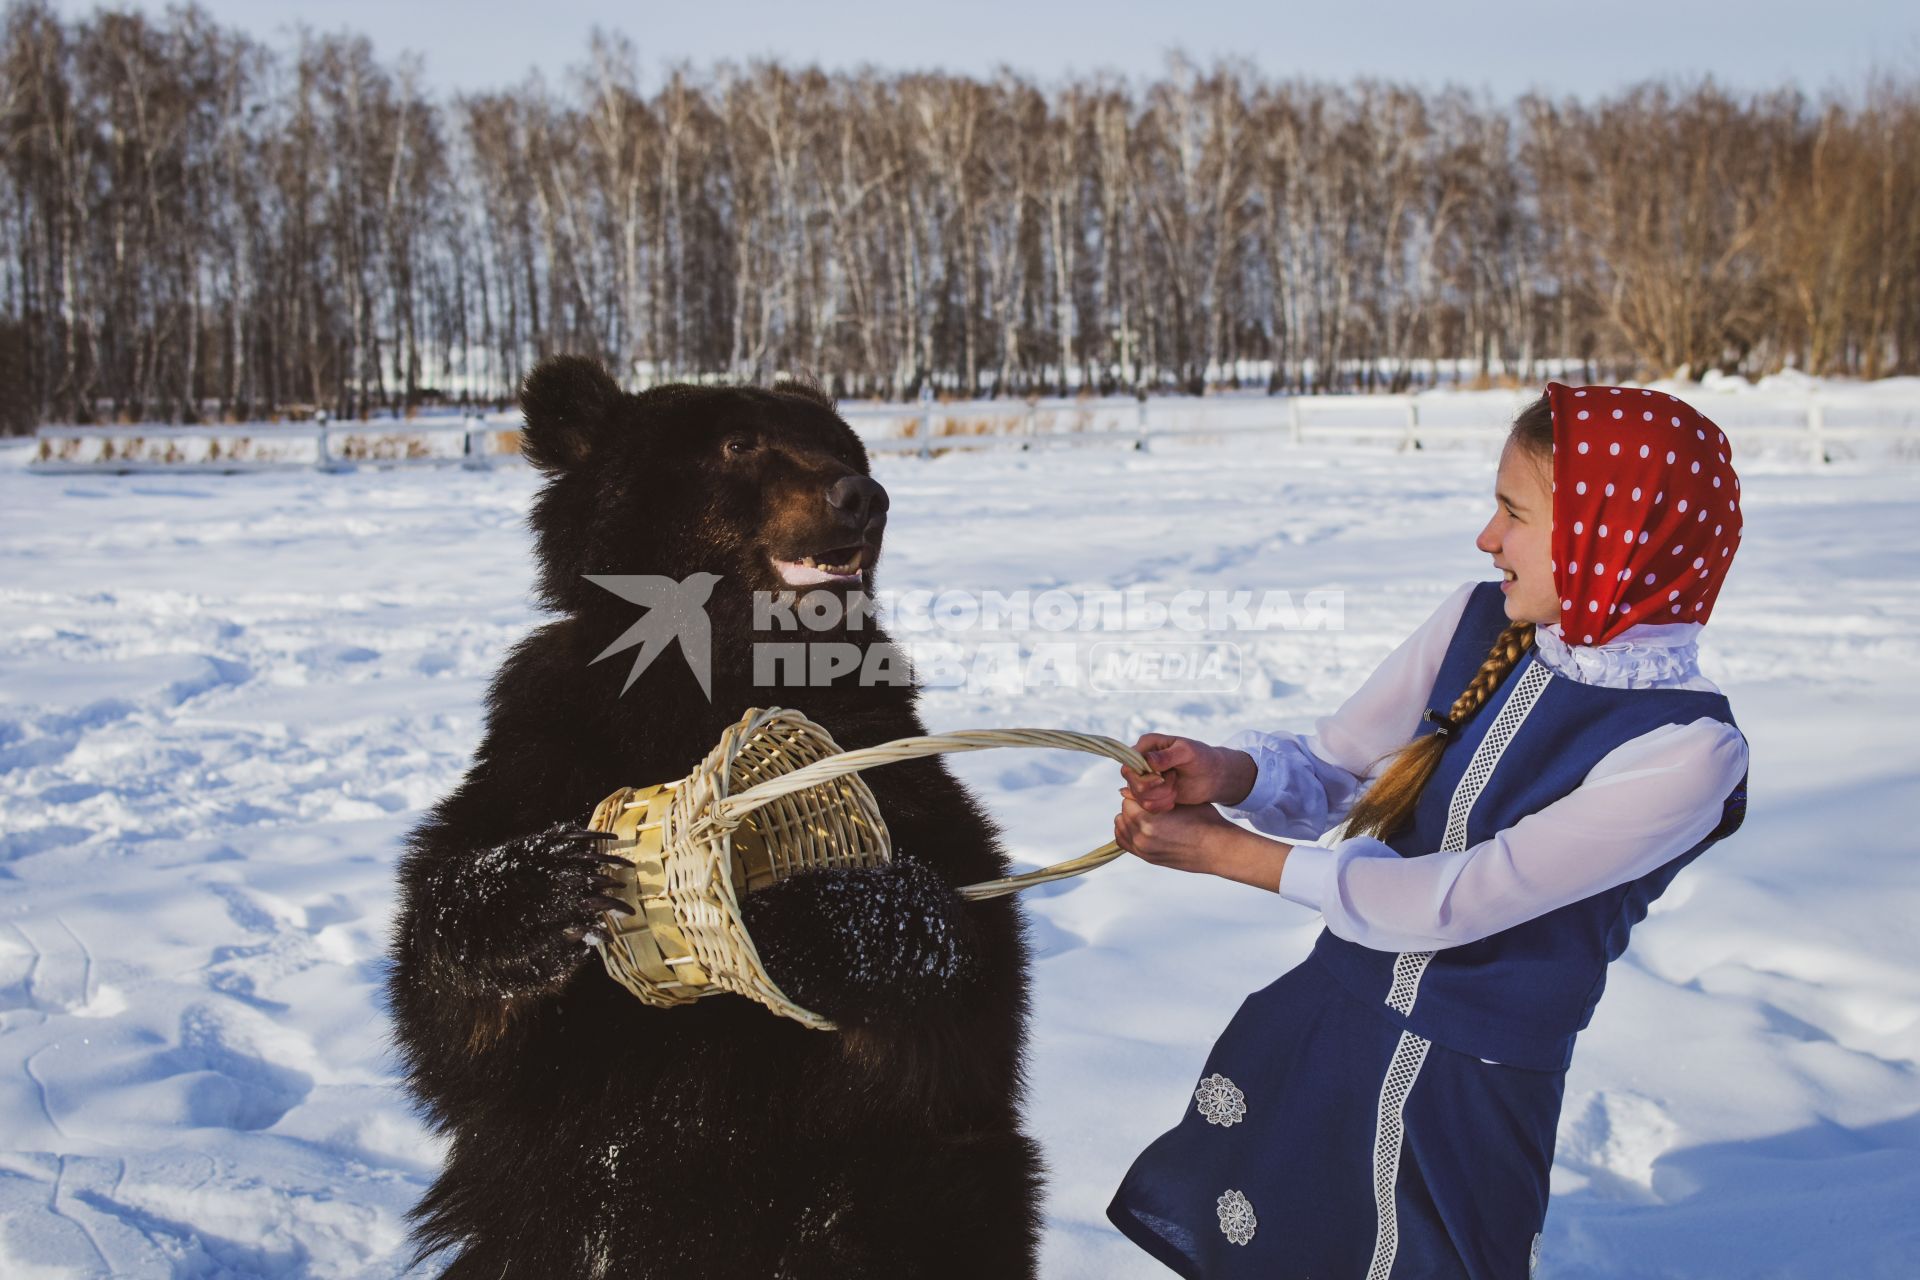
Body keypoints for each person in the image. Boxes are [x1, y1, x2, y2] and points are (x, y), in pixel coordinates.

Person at [1104, 383, 1750, 1280]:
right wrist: (1231, 772)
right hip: (1326, 1024)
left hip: (1467, 1091)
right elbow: (1340, 765)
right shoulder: (1477, 619)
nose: (1489, 538)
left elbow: (1452, 903)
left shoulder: (1684, 750)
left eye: (1514, 512)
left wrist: (1226, 854)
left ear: (1612, 537)